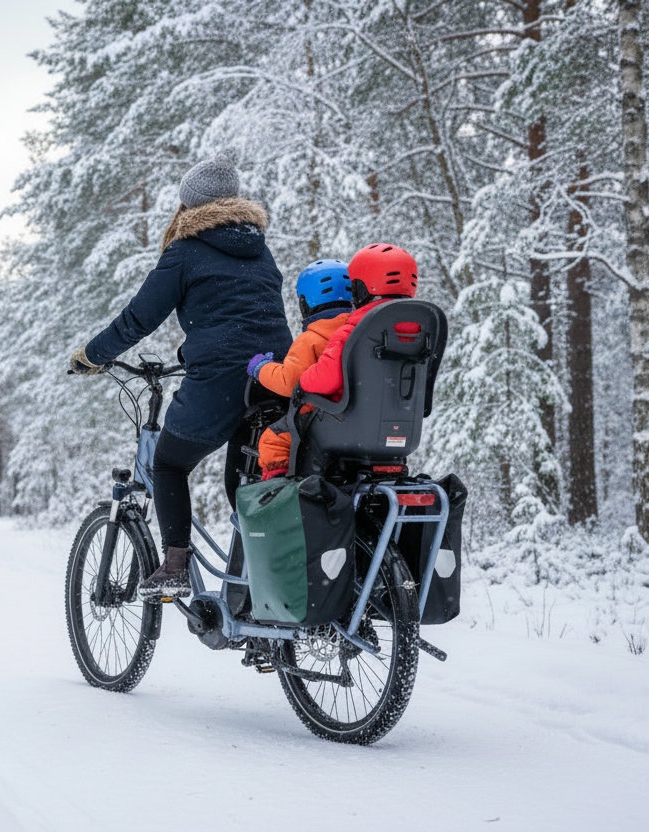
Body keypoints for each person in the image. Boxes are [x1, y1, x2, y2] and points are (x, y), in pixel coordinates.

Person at [69, 150, 292, 599]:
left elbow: (138, 318)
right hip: (277, 377)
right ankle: (260, 592)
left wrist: (91, 356)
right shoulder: (259, 249)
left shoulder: (186, 251)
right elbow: (252, 314)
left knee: (168, 464)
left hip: (223, 378)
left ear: (189, 204)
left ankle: (174, 565)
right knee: (246, 490)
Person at [247, 260, 353, 479]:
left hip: (321, 420)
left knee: (273, 440)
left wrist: (261, 368)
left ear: (304, 304)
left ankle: (279, 490)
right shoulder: (361, 332)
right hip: (359, 419)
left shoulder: (310, 340)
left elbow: (289, 382)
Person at [298, 243, 420, 399]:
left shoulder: (352, 330)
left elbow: (326, 380)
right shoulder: (424, 326)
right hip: (406, 411)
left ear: (361, 288)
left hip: (355, 413)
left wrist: (302, 381)